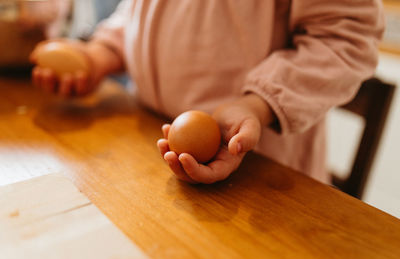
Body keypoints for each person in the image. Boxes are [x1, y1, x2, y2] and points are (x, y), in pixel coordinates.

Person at [30, 0, 384, 184]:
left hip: (265, 181)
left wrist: (257, 103)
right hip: (148, 155)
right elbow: (143, 12)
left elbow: (346, 38)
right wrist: (102, 55)